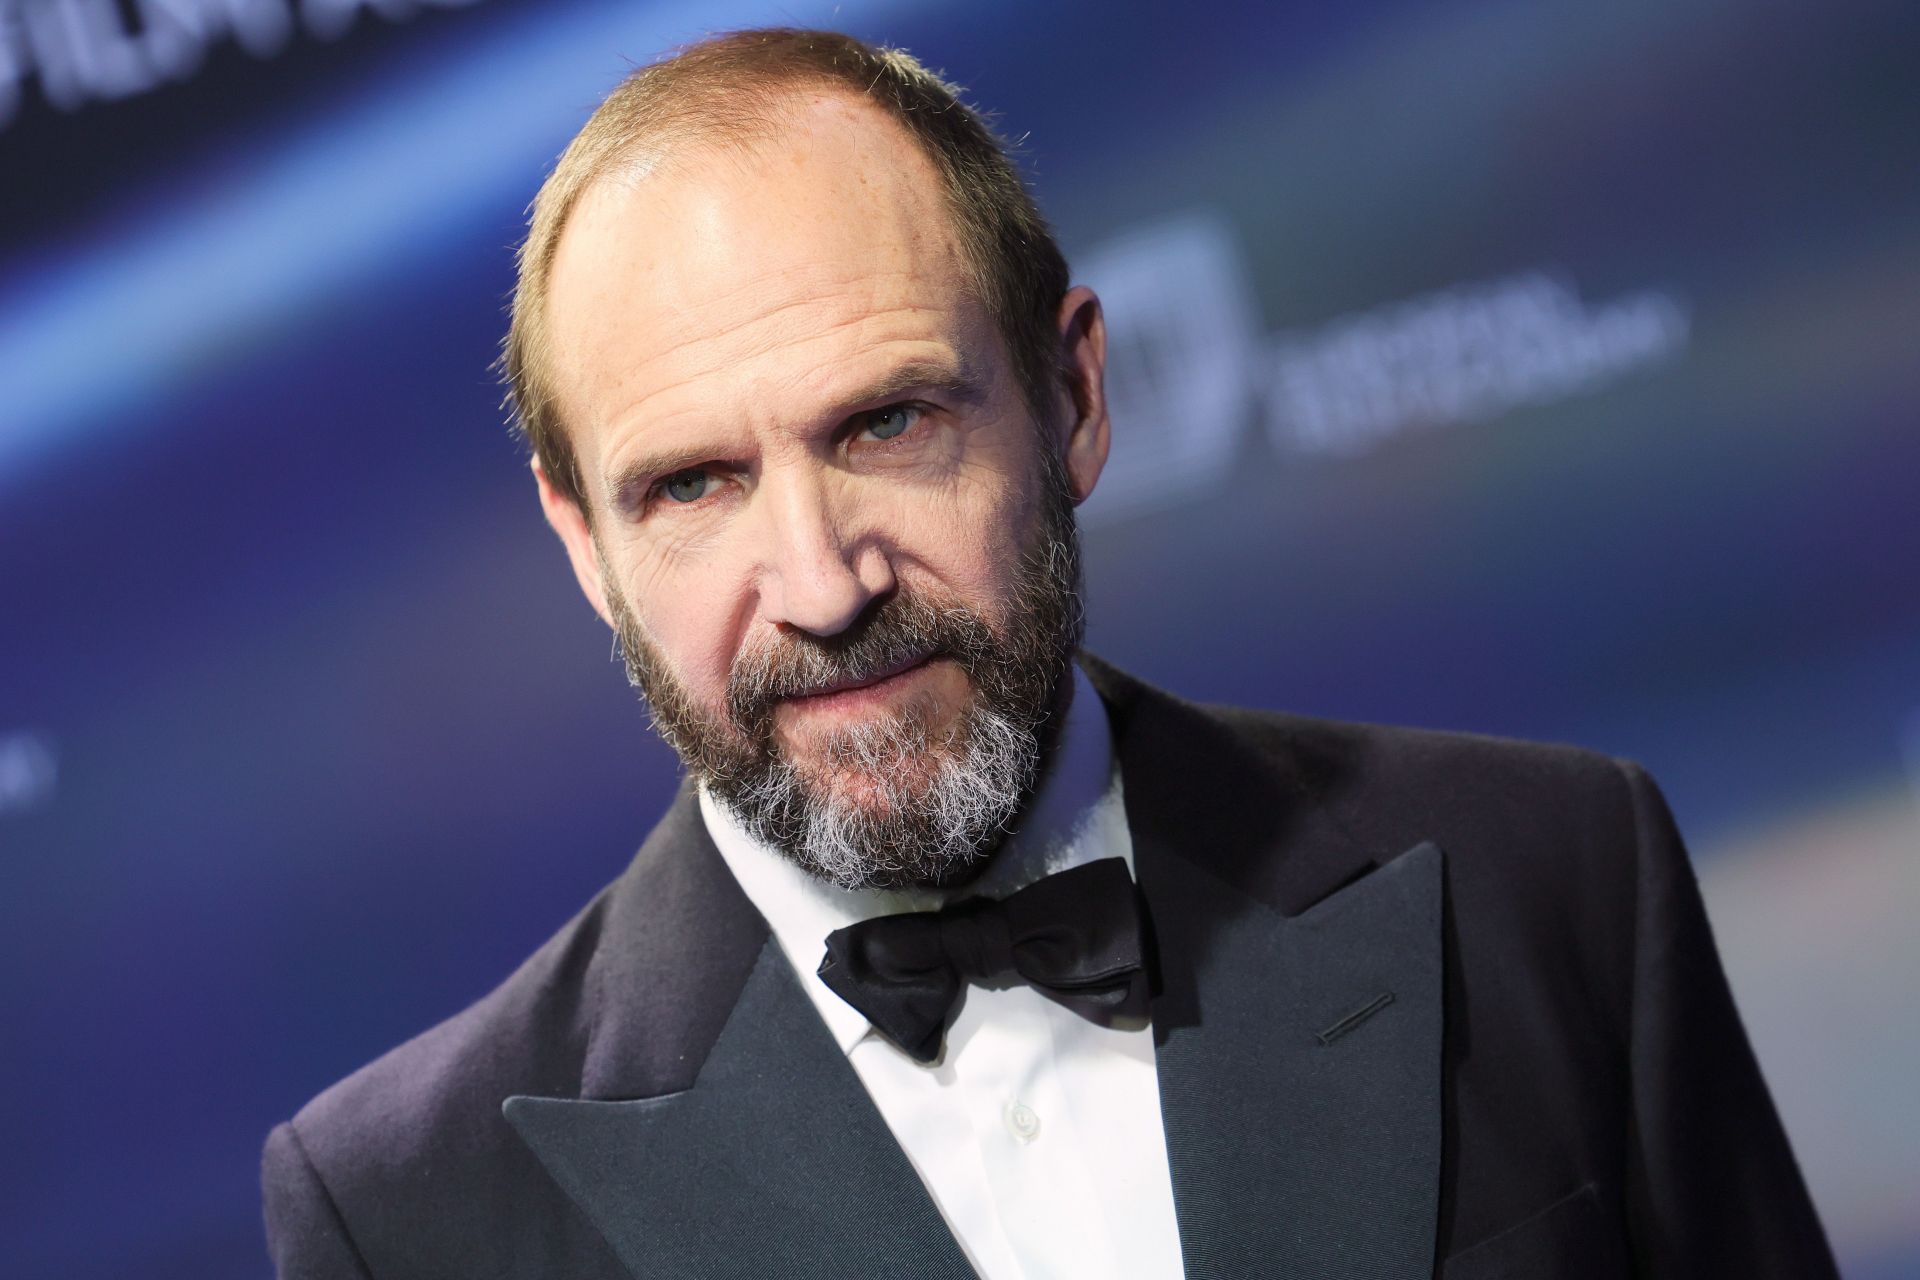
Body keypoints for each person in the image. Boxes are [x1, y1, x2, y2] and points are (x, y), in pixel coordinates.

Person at [261, 28, 1836, 1279]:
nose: (818, 584)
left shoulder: (1548, 877)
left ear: (1072, 397)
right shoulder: (407, 1210)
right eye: (694, 485)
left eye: (886, 423)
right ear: (586, 548)